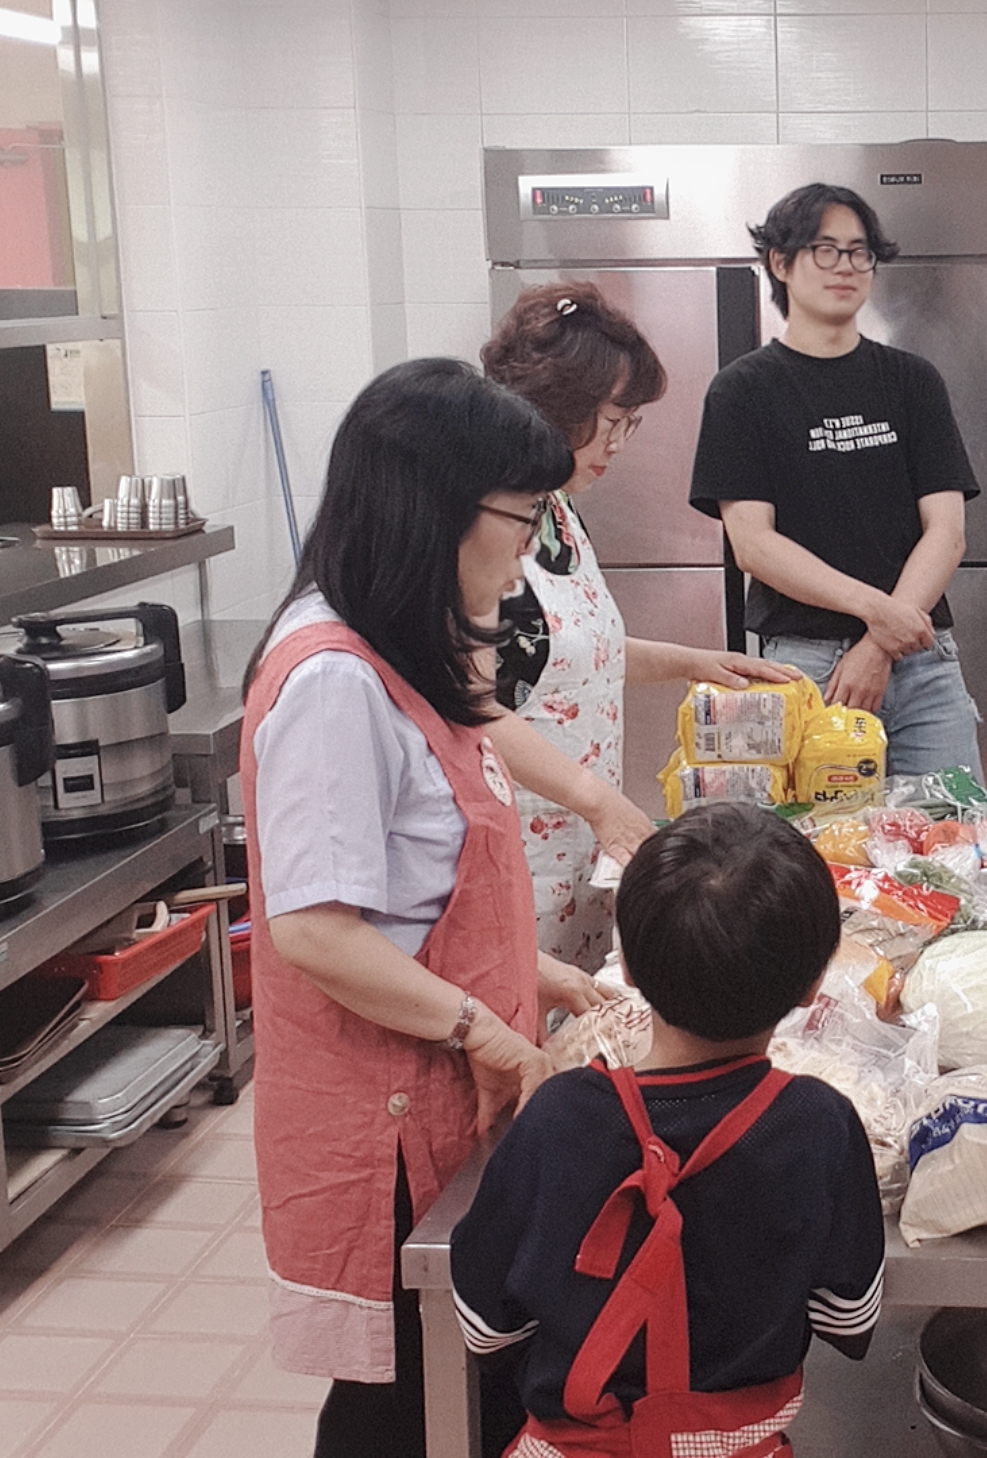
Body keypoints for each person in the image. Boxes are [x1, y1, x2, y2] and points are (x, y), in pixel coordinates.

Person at [240, 358, 612, 1458]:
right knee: (406, 1404)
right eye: (524, 517)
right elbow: (315, 930)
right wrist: (486, 1024)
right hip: (388, 1112)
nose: (533, 546)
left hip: (446, 1082)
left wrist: (533, 974)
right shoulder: (333, 680)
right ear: (434, 509)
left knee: (468, 1383)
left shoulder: (408, 644)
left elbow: (421, 891)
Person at [450, 802, 886, 1458]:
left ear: (626, 971)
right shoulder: (818, 1125)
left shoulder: (556, 1115)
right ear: (813, 986)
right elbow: (848, 1320)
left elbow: (486, 1331)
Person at [478, 283, 799, 969]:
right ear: (557, 403)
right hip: (514, 865)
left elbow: (570, 656)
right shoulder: (483, 521)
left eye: (632, 424)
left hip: (582, 862)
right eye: (613, 418)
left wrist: (695, 662)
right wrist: (597, 801)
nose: (620, 443)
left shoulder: (558, 508)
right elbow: (466, 708)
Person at [690, 182, 985, 779]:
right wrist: (877, 612)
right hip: (805, 665)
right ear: (781, 262)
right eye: (826, 250)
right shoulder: (743, 391)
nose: (846, 266)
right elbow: (754, 544)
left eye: (859, 252)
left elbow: (947, 532)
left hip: (922, 661)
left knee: (955, 841)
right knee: (821, 853)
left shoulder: (912, 380)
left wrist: (880, 641)